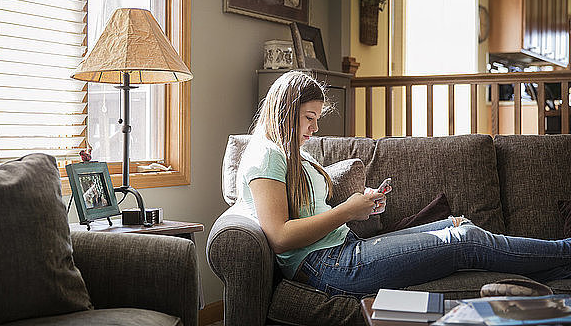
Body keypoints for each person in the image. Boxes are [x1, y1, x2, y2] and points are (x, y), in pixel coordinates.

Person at [235, 70, 571, 298]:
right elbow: (279, 237)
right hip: (329, 266)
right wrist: (348, 211)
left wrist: (361, 204)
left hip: (340, 249)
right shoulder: (266, 155)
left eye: (317, 120)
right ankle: (566, 251)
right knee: (466, 239)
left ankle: (552, 274)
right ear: (286, 110)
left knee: (459, 223)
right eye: (309, 118)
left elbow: (310, 211)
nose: (315, 128)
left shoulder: (295, 152)